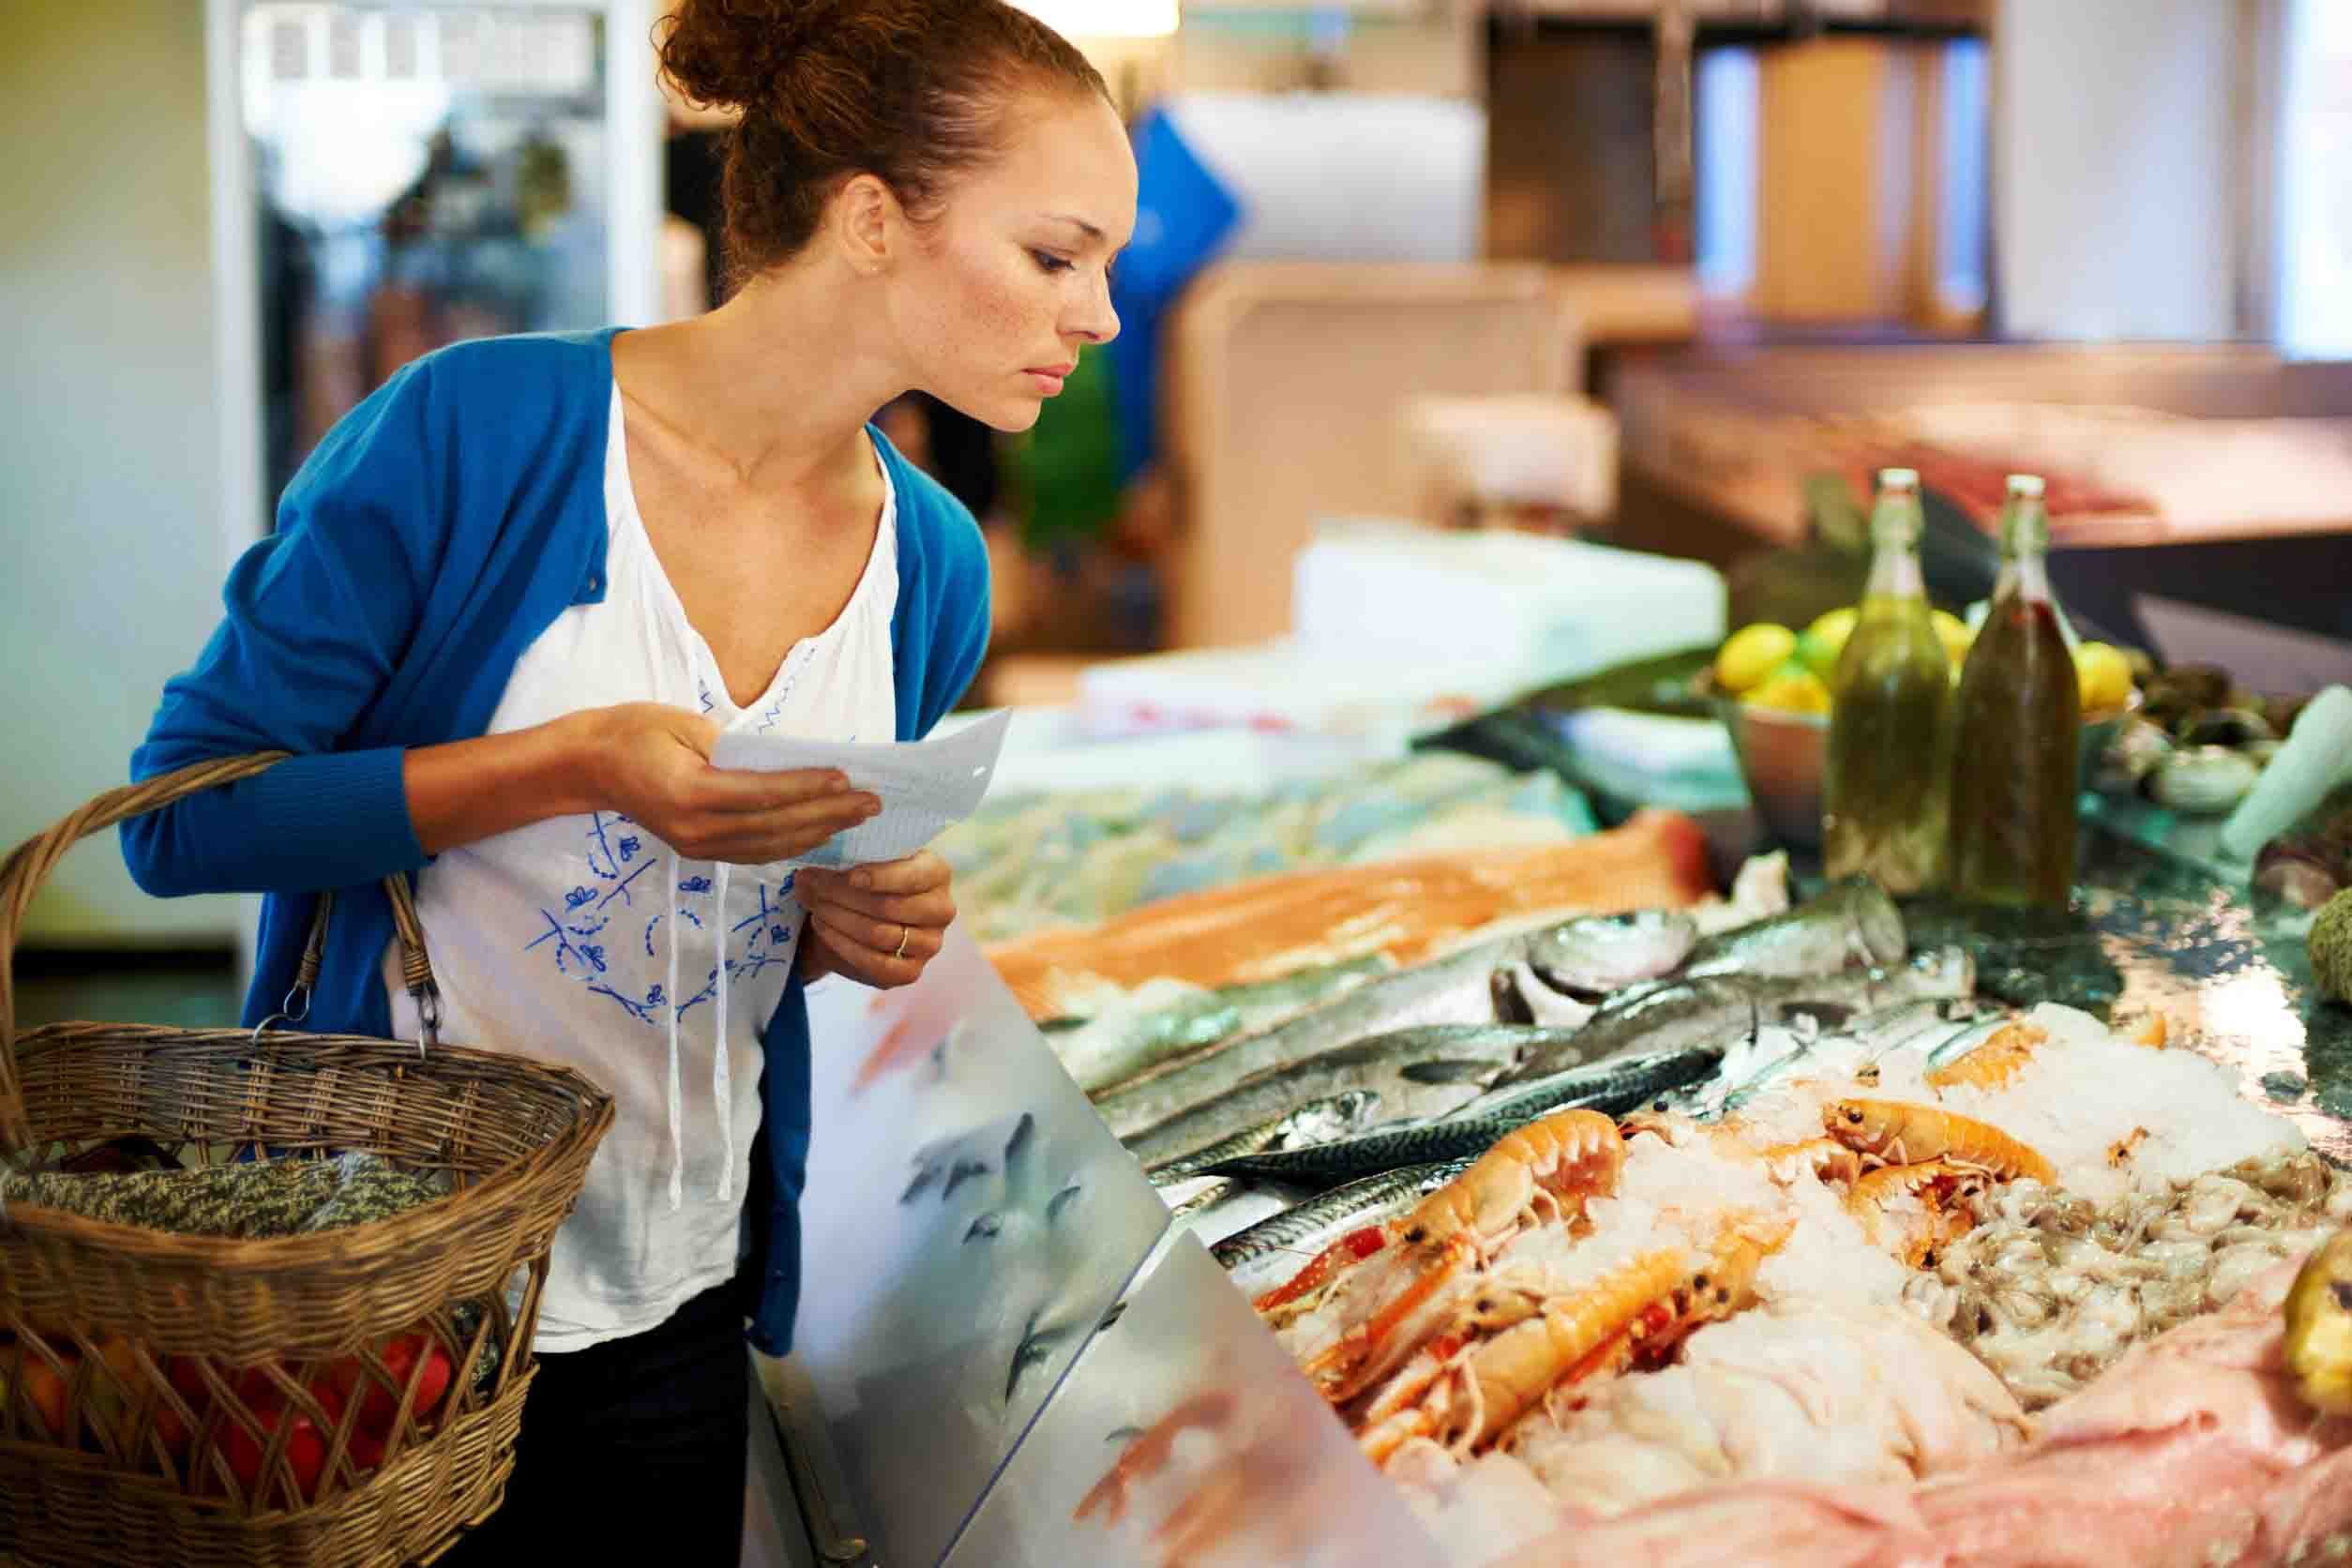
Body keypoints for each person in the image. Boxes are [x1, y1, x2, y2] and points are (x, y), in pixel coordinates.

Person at [120, 1, 1135, 1560]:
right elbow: (180, 821)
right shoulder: (474, 441)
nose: (1103, 317)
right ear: (872, 219)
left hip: (682, 1307)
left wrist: (840, 926)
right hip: (387, 1300)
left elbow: (748, 936)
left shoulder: (931, 564)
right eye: (1057, 257)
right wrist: (576, 763)